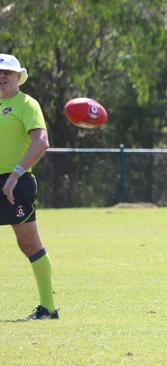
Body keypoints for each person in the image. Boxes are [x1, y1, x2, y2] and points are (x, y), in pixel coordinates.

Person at [0, 53, 57, 320]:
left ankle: (48, 307)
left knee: (29, 244)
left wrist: (16, 173)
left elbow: (41, 142)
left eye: (6, 73)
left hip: (15, 182)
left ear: (17, 77)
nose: (1, 77)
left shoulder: (27, 104)